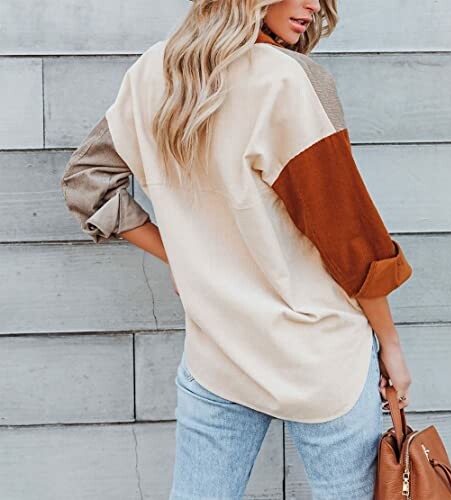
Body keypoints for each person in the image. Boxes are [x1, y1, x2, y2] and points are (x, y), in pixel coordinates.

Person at [61, 0, 414, 497]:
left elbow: (87, 181)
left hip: (219, 354)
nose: (314, 6)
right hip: (319, 357)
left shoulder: (155, 73)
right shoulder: (288, 81)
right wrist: (392, 346)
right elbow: (352, 240)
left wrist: (181, 255)